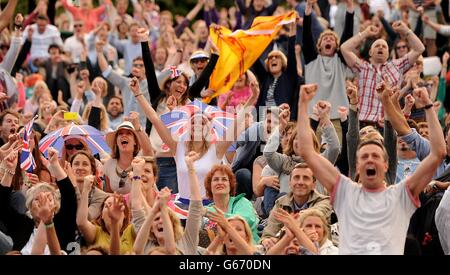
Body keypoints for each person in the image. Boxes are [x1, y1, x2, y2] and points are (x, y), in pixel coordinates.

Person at [297, 83, 446, 254]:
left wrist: (427, 106)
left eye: (375, 156)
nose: (370, 160)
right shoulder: (345, 191)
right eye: (364, 156)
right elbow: (306, 151)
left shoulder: (401, 195)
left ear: (386, 165)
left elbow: (438, 153)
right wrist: (303, 105)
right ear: (357, 166)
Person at [340, 21, 424, 125]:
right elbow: (344, 48)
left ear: (388, 53)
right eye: (377, 46)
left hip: (390, 123)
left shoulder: (397, 65)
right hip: (364, 123)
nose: (380, 47)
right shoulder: (362, 67)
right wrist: (365, 33)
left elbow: (419, 49)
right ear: (370, 52)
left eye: (384, 47)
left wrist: (406, 30)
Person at [0, 147, 77, 253]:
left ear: (55, 205)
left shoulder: (63, 223)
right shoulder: (22, 225)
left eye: (48, 198)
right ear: (30, 207)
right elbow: (1, 204)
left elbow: (69, 195)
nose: (43, 202)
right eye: (37, 199)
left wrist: (55, 166)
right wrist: (9, 171)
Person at [132, 152, 203, 255]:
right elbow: (136, 206)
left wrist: (191, 168)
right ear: (151, 228)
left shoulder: (187, 241)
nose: (161, 221)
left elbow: (196, 205)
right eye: (156, 219)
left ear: (174, 224)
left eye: (166, 219)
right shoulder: (146, 242)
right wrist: (136, 173)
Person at [260, 162, 332, 250]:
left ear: (314, 185)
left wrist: (288, 225)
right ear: (290, 183)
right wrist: (267, 240)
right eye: (296, 177)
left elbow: (309, 216)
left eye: (306, 178)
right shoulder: (281, 202)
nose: (300, 182)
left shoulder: (324, 201)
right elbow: (269, 232)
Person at [77, 175, 135, 254]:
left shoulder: (131, 231)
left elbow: (144, 222)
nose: (112, 209)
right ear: (102, 216)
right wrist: (86, 190)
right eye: (107, 205)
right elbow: (81, 222)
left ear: (124, 214)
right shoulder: (96, 232)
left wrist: (137, 184)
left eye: (116, 205)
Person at [104, 119, 152, 194]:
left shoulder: (141, 161)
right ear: (116, 142)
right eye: (120, 133)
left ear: (135, 141)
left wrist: (138, 128)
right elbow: (108, 193)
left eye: (129, 133)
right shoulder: (109, 164)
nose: (124, 135)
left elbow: (149, 150)